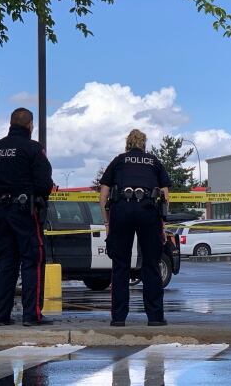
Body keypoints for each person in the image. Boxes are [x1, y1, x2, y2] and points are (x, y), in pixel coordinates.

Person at [0, 108, 54, 326]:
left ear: (11, 123)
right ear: (30, 125)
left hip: (3, 213)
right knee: (32, 262)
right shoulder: (33, 149)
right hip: (26, 213)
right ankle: (32, 315)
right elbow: (44, 183)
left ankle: (1, 316)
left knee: (6, 265)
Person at [98, 129, 171, 327]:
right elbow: (165, 196)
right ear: (144, 144)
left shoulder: (119, 161)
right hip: (148, 211)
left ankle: (118, 318)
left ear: (128, 143)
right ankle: (155, 317)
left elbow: (103, 194)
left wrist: (107, 223)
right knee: (151, 264)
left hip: (121, 210)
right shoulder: (154, 161)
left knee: (120, 265)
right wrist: (162, 225)